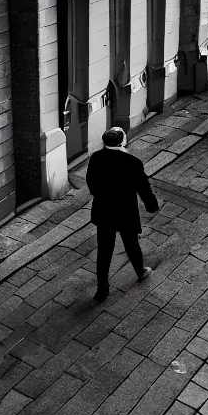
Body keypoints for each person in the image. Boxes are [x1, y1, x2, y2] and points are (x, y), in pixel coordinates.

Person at [86, 127, 159, 302]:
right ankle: (140, 271)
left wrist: (100, 195)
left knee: (104, 250)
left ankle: (102, 288)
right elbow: (143, 187)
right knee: (131, 244)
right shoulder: (132, 162)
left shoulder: (96, 158)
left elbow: (90, 182)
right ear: (122, 141)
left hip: (103, 211)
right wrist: (151, 206)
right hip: (125, 211)